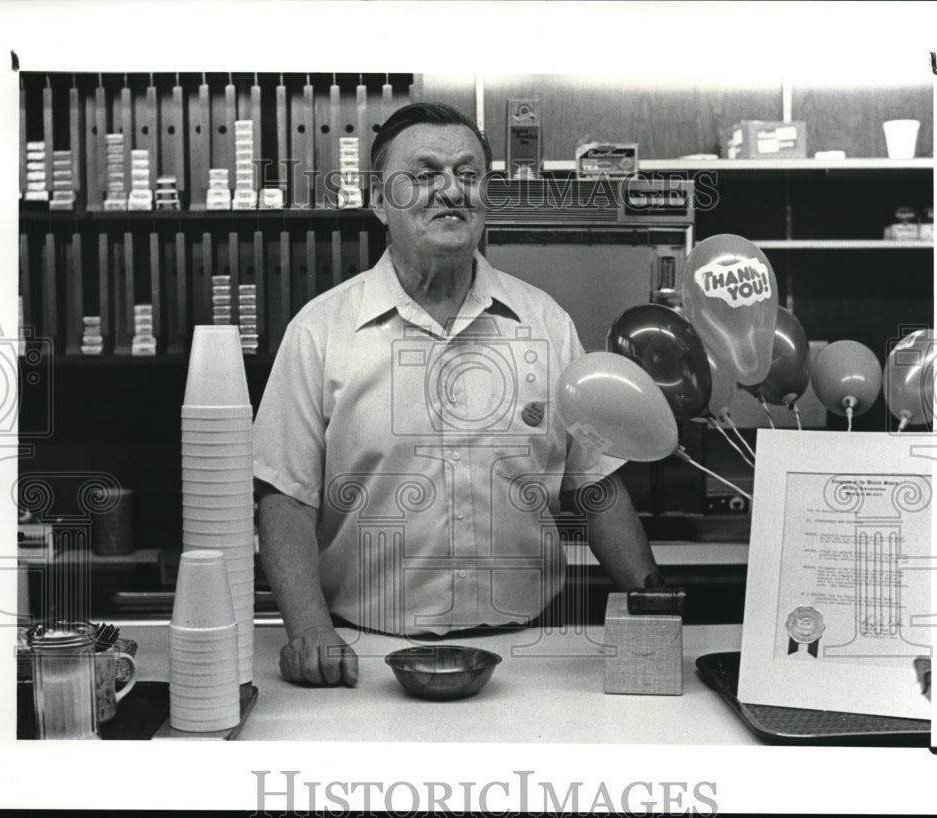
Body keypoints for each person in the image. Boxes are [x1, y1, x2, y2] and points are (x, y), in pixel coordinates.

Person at [253, 102, 660, 687]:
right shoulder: (321, 331)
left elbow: (594, 484)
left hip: (529, 653)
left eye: (468, 175)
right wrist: (310, 630)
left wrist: (655, 600)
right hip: (362, 656)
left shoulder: (545, 323)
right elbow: (285, 500)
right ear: (377, 201)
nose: (451, 190)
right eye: (423, 175)